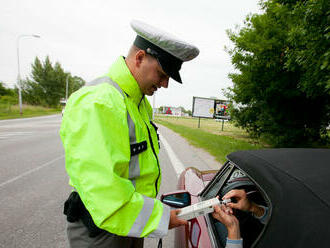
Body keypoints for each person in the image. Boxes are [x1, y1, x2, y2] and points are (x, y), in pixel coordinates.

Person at [60, 20, 199, 248]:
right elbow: (103, 188)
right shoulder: (99, 101)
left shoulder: (137, 102)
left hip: (131, 223)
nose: (164, 85)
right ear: (139, 58)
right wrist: (161, 218)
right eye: (162, 74)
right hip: (102, 231)